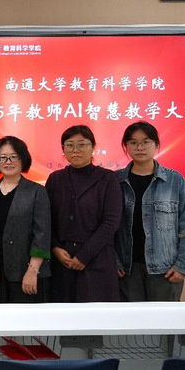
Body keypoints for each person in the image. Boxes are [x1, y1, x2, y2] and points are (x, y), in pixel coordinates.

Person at [115, 122, 185, 302]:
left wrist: (183, 266)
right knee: (130, 319)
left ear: (156, 144)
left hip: (165, 270)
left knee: (165, 319)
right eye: (133, 142)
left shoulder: (174, 181)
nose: (140, 147)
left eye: (146, 142)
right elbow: (106, 227)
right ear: (126, 146)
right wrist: (113, 261)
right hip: (127, 270)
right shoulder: (115, 182)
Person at [45, 125, 122, 303]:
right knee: (63, 316)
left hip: (97, 260)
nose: (76, 150)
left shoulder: (108, 179)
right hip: (62, 262)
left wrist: (84, 255)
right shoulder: (55, 179)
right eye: (69, 145)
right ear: (63, 149)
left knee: (95, 317)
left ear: (93, 147)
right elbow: (46, 219)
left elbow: (111, 222)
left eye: (82, 144)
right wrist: (55, 248)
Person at [0, 136, 51, 304]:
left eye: (13, 157)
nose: (8, 162)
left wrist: (32, 271)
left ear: (23, 159)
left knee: (27, 319)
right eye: (2, 157)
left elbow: (42, 234)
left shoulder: (36, 192)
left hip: (27, 273)